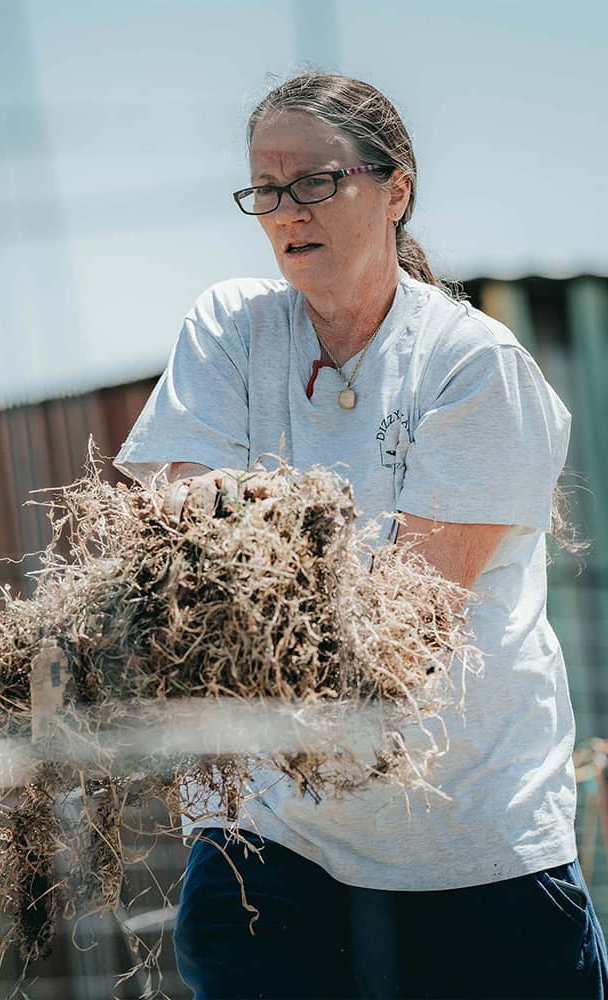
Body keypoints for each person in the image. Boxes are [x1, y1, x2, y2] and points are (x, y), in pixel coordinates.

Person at [114, 72, 608, 999]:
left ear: (397, 189)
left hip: (463, 845)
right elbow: (169, 505)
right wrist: (226, 523)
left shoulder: (471, 367)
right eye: (265, 189)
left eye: (313, 182)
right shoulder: (231, 329)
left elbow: (406, 628)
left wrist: (247, 524)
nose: (284, 211)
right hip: (267, 838)